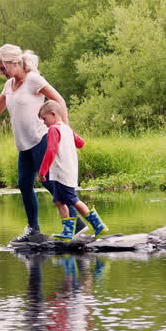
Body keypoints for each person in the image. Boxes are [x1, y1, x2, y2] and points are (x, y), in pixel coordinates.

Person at [0, 44, 74, 244]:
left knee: (52, 185)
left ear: (14, 63)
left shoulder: (33, 79)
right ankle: (33, 229)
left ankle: (77, 226)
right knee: (24, 185)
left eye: (2, 68)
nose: (1, 72)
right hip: (23, 146)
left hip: (40, 140)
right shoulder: (9, 86)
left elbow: (59, 100)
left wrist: (64, 130)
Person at [36, 101, 106, 240]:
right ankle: (68, 232)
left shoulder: (54, 129)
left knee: (73, 200)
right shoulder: (66, 129)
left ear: (53, 115)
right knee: (58, 201)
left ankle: (98, 225)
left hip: (62, 172)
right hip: (67, 171)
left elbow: (51, 150)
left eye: (44, 119)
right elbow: (81, 143)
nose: (44, 122)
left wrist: (43, 171)